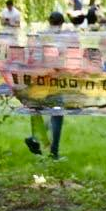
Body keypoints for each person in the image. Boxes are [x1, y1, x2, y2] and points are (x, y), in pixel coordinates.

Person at [24, 11, 69, 160]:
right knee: (58, 114)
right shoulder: (59, 39)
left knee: (52, 113)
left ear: (49, 21)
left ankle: (35, 139)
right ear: (61, 24)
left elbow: (33, 57)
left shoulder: (40, 36)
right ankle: (53, 152)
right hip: (51, 81)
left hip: (38, 81)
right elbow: (58, 63)